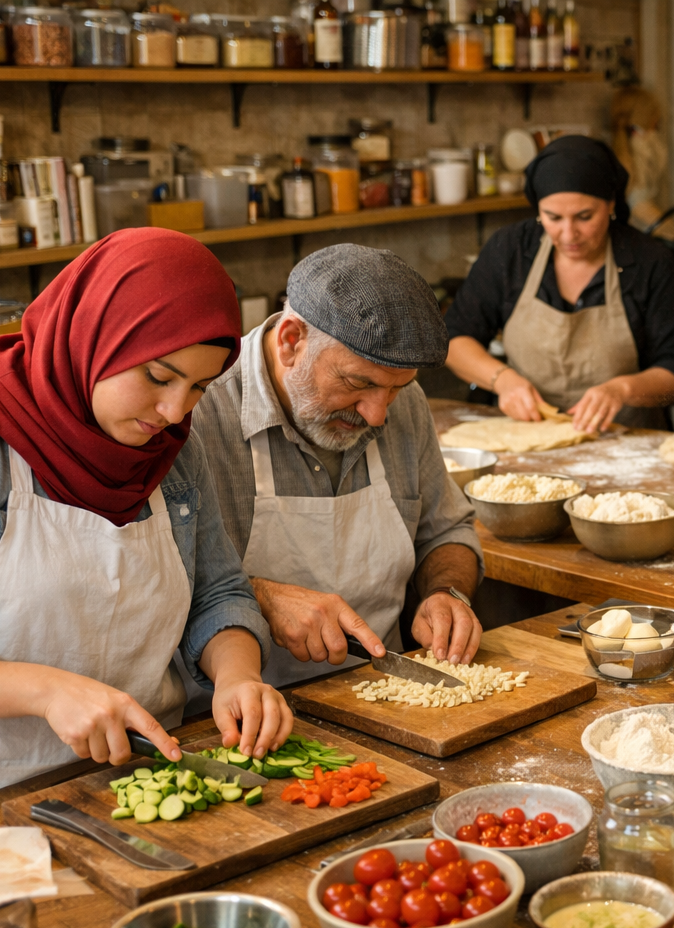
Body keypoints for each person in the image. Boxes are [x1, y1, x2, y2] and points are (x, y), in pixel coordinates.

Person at [0, 229, 290, 818]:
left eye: (198, 388)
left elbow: (217, 592)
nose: (174, 411)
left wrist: (238, 674)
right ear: (94, 336)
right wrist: (48, 690)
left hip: (148, 781)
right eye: (159, 377)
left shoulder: (172, 449)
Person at [190, 244, 483, 690]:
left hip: (383, 692)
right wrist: (260, 596)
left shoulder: (399, 405)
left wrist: (447, 593)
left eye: (396, 390)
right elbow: (158, 585)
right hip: (235, 712)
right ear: (292, 341)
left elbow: (446, 531)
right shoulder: (197, 408)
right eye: (357, 383)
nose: (377, 415)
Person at [442, 135, 674, 432]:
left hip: (626, 439)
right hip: (526, 434)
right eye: (553, 217)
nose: (569, 234)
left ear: (610, 203)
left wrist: (622, 390)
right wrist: (503, 380)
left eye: (584, 217)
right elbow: (454, 340)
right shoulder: (511, 250)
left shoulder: (650, 262)